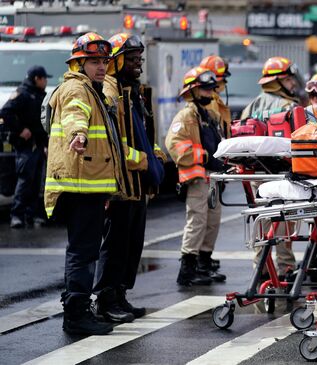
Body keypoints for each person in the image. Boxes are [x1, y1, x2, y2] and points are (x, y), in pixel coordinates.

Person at [44, 32, 126, 335]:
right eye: (94, 61)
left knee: (85, 250)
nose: (102, 66)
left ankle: (77, 306)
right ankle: (76, 315)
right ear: (78, 64)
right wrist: (78, 135)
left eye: (104, 61)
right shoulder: (76, 90)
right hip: (80, 186)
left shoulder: (93, 89)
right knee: (83, 252)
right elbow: (76, 116)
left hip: (89, 184)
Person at [93, 33, 166, 323]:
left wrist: (156, 157)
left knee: (132, 244)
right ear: (117, 61)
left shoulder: (134, 91)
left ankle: (121, 295)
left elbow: (145, 135)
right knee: (115, 245)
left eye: (139, 59)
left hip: (139, 185)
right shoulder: (110, 92)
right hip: (120, 186)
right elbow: (112, 142)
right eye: (132, 59)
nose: (138, 64)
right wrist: (143, 160)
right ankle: (105, 299)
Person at [241, 56, 302, 278]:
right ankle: (285, 268)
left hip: (258, 173)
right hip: (284, 173)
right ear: (277, 81)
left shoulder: (251, 106)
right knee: (286, 219)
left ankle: (262, 269)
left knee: (262, 219)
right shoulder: (289, 106)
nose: (293, 84)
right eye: (288, 80)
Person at [165, 66, 226, 286]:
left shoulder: (209, 115)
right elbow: (174, 145)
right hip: (198, 178)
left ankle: (204, 264)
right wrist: (203, 156)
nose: (209, 93)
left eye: (211, 89)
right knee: (197, 222)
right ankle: (187, 270)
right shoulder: (186, 116)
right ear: (192, 90)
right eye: (204, 89)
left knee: (212, 222)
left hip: (213, 178)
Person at [195, 54, 232, 279]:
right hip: (205, 170)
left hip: (216, 167)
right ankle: (198, 262)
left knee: (212, 220)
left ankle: (204, 259)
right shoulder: (205, 105)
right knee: (200, 220)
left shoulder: (215, 102)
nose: (220, 85)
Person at [0, 65, 50, 229]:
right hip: (26, 146)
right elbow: (5, 112)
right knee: (25, 180)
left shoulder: (39, 95)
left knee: (36, 182)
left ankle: (32, 214)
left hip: (38, 145)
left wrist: (45, 144)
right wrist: (20, 130)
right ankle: (17, 215)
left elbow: (40, 124)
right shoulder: (23, 93)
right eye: (44, 78)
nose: (46, 81)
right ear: (37, 78)